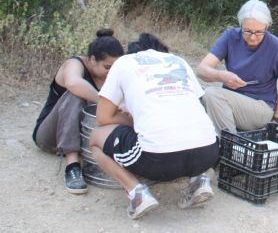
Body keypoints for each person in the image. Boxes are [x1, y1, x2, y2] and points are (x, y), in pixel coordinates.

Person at [89, 33, 219, 219]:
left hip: (158, 159)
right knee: (193, 133)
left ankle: (137, 194)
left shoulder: (124, 63)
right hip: (209, 153)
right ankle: (199, 180)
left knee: (95, 138)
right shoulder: (178, 61)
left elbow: (102, 118)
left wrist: (132, 121)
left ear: (134, 53)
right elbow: (199, 105)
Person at [33, 29, 123, 194]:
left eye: (115, 67)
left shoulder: (113, 75)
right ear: (92, 59)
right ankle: (72, 166)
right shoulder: (74, 64)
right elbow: (73, 83)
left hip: (86, 137)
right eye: (107, 67)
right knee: (75, 94)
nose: (111, 72)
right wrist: (104, 102)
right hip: (50, 135)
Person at [198, 0, 278, 134]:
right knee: (198, 98)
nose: (253, 37)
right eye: (247, 31)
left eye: (259, 32)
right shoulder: (230, 37)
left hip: (261, 107)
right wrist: (221, 76)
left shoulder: (277, 47)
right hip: (230, 100)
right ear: (240, 25)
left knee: (212, 94)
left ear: (267, 27)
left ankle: (230, 145)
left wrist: (277, 119)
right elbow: (202, 70)